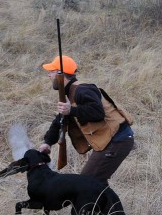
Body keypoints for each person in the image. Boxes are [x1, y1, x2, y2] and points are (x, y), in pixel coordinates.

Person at [39, 55, 134, 186]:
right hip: (109, 141)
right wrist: (48, 142)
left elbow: (97, 113)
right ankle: (111, 207)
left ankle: (95, 207)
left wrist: (71, 111)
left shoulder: (83, 90)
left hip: (117, 140)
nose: (48, 75)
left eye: (51, 71)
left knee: (87, 183)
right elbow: (60, 120)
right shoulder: (70, 93)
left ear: (61, 74)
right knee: (96, 183)